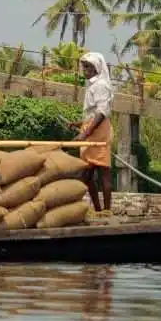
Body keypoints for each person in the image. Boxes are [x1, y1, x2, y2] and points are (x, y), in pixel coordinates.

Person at [72, 52, 114, 216]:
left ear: (97, 68)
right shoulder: (91, 85)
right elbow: (91, 113)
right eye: (84, 67)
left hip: (98, 130)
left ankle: (107, 210)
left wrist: (86, 133)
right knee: (88, 174)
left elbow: (102, 112)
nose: (86, 70)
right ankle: (98, 209)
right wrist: (79, 124)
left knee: (102, 170)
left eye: (89, 66)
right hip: (91, 127)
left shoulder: (101, 85)